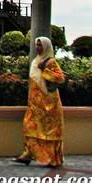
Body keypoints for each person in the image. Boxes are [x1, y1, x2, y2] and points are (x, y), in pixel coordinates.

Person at [13, 36, 65, 168]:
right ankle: (28, 153)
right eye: (37, 45)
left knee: (49, 131)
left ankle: (52, 159)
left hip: (49, 104)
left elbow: (60, 78)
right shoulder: (36, 60)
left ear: (46, 47)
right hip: (35, 104)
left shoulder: (50, 61)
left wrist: (45, 70)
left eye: (40, 45)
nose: (38, 48)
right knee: (29, 126)